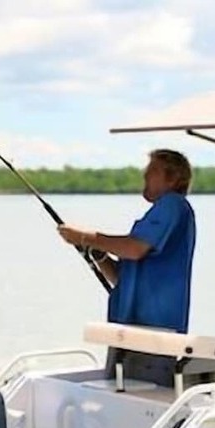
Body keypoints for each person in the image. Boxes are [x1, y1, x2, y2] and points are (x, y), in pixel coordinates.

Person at [57, 148, 196, 387]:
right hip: (129, 330)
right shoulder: (158, 215)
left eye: (152, 170)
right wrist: (100, 256)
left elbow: (135, 248)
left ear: (173, 179)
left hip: (154, 332)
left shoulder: (173, 205)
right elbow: (120, 277)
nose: (145, 175)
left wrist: (85, 237)